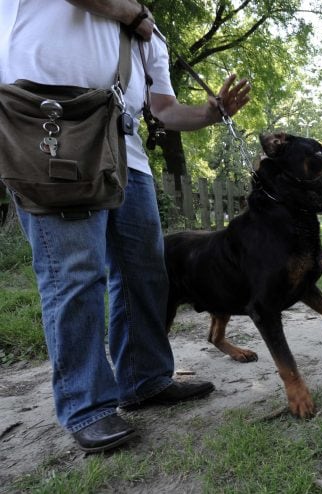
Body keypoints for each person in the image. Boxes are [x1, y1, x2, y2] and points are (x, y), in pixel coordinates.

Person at [0, 0, 251, 453]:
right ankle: (87, 407)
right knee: (76, 275)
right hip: (54, 135)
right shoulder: (131, 17)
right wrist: (131, 16)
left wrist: (211, 113)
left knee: (146, 274)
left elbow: (165, 109)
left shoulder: (148, 30)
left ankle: (145, 380)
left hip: (128, 156)